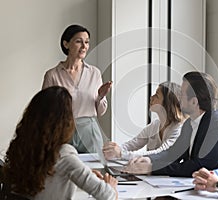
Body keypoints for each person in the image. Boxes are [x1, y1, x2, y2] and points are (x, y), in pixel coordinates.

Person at [2, 86, 117, 200]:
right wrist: (111, 187)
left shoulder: (21, 147)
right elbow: (108, 196)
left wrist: (83, 173)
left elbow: (47, 178)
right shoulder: (64, 155)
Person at [123, 71, 218, 177]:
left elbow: (199, 166)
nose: (178, 98)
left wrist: (153, 167)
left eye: (182, 94)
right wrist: (147, 160)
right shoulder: (189, 123)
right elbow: (172, 154)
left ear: (194, 101)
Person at [42, 24, 112, 153]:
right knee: (63, 169)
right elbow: (46, 110)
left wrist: (101, 96)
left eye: (86, 42)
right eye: (79, 41)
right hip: (62, 129)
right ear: (66, 44)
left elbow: (100, 112)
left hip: (89, 131)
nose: (84, 46)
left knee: (93, 170)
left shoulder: (94, 73)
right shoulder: (52, 75)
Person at [102, 81, 185, 160]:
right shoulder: (155, 125)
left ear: (167, 103)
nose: (151, 97)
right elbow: (133, 144)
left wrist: (121, 154)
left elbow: (160, 154)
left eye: (156, 95)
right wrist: (113, 149)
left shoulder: (178, 129)